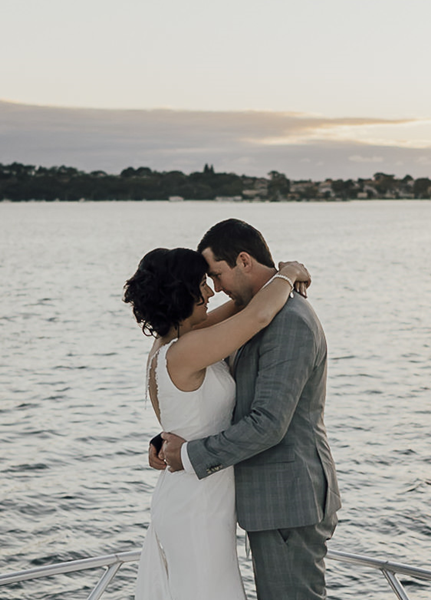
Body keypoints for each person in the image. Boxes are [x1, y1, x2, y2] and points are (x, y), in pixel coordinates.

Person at [150, 219, 342, 600]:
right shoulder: (250, 314)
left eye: (217, 275)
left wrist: (186, 453)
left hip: (288, 501)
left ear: (243, 260)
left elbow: (269, 424)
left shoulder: (288, 321)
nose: (215, 289)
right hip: (255, 501)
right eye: (207, 282)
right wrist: (167, 439)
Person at [123, 243, 311, 600]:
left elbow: (244, 304)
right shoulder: (185, 350)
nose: (211, 291)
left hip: (198, 496)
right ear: (181, 292)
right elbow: (256, 317)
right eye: (201, 284)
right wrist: (290, 272)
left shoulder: (180, 339)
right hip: (196, 507)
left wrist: (268, 278)